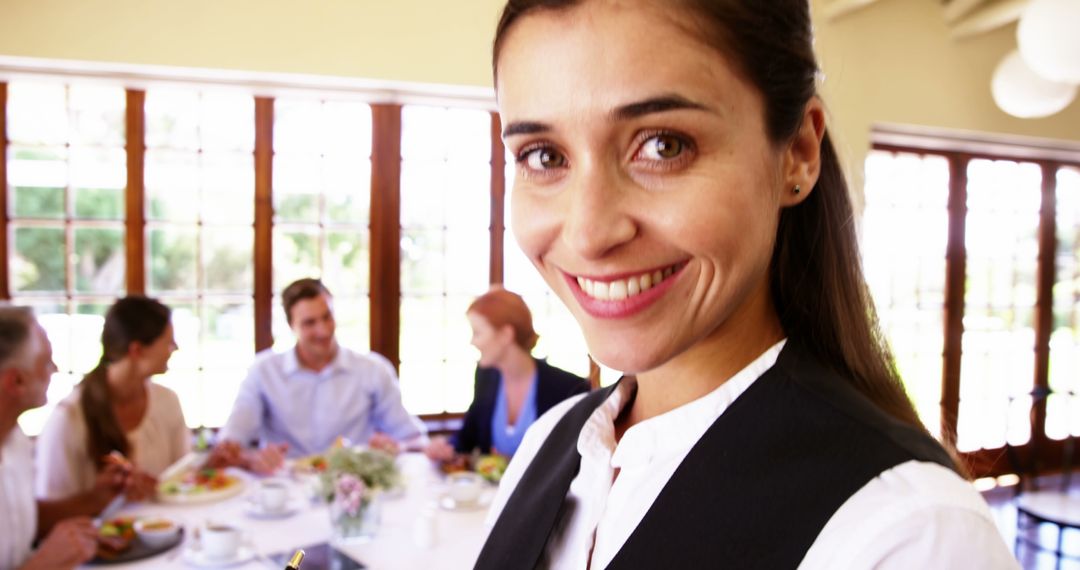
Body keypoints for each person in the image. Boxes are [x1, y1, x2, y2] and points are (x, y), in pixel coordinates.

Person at [477, 1, 1018, 568]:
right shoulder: (552, 442)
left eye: (664, 145)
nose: (589, 234)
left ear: (798, 156)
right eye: (543, 155)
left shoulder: (910, 533)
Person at [221, 278, 426, 459]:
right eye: (310, 323)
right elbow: (232, 440)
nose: (323, 330)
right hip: (286, 488)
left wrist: (398, 446)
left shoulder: (373, 369)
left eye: (327, 317)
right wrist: (251, 458)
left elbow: (414, 438)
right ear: (292, 326)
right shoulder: (264, 371)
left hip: (352, 486)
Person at [0, 306, 133, 570]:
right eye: (46, 361)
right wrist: (44, 564)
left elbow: (17, 520)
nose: (56, 368)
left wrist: (95, 500)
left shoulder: (15, 440)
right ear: (16, 381)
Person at [36, 296, 187, 501]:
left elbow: (183, 478)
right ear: (137, 350)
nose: (175, 348)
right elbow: (51, 506)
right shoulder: (69, 418)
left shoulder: (167, 401)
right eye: (168, 342)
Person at [424, 287, 589, 461]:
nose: (472, 342)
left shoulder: (569, 388)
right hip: (489, 488)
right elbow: (467, 436)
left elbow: (573, 459)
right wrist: (447, 446)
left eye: (477, 333)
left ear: (505, 335)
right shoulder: (485, 376)